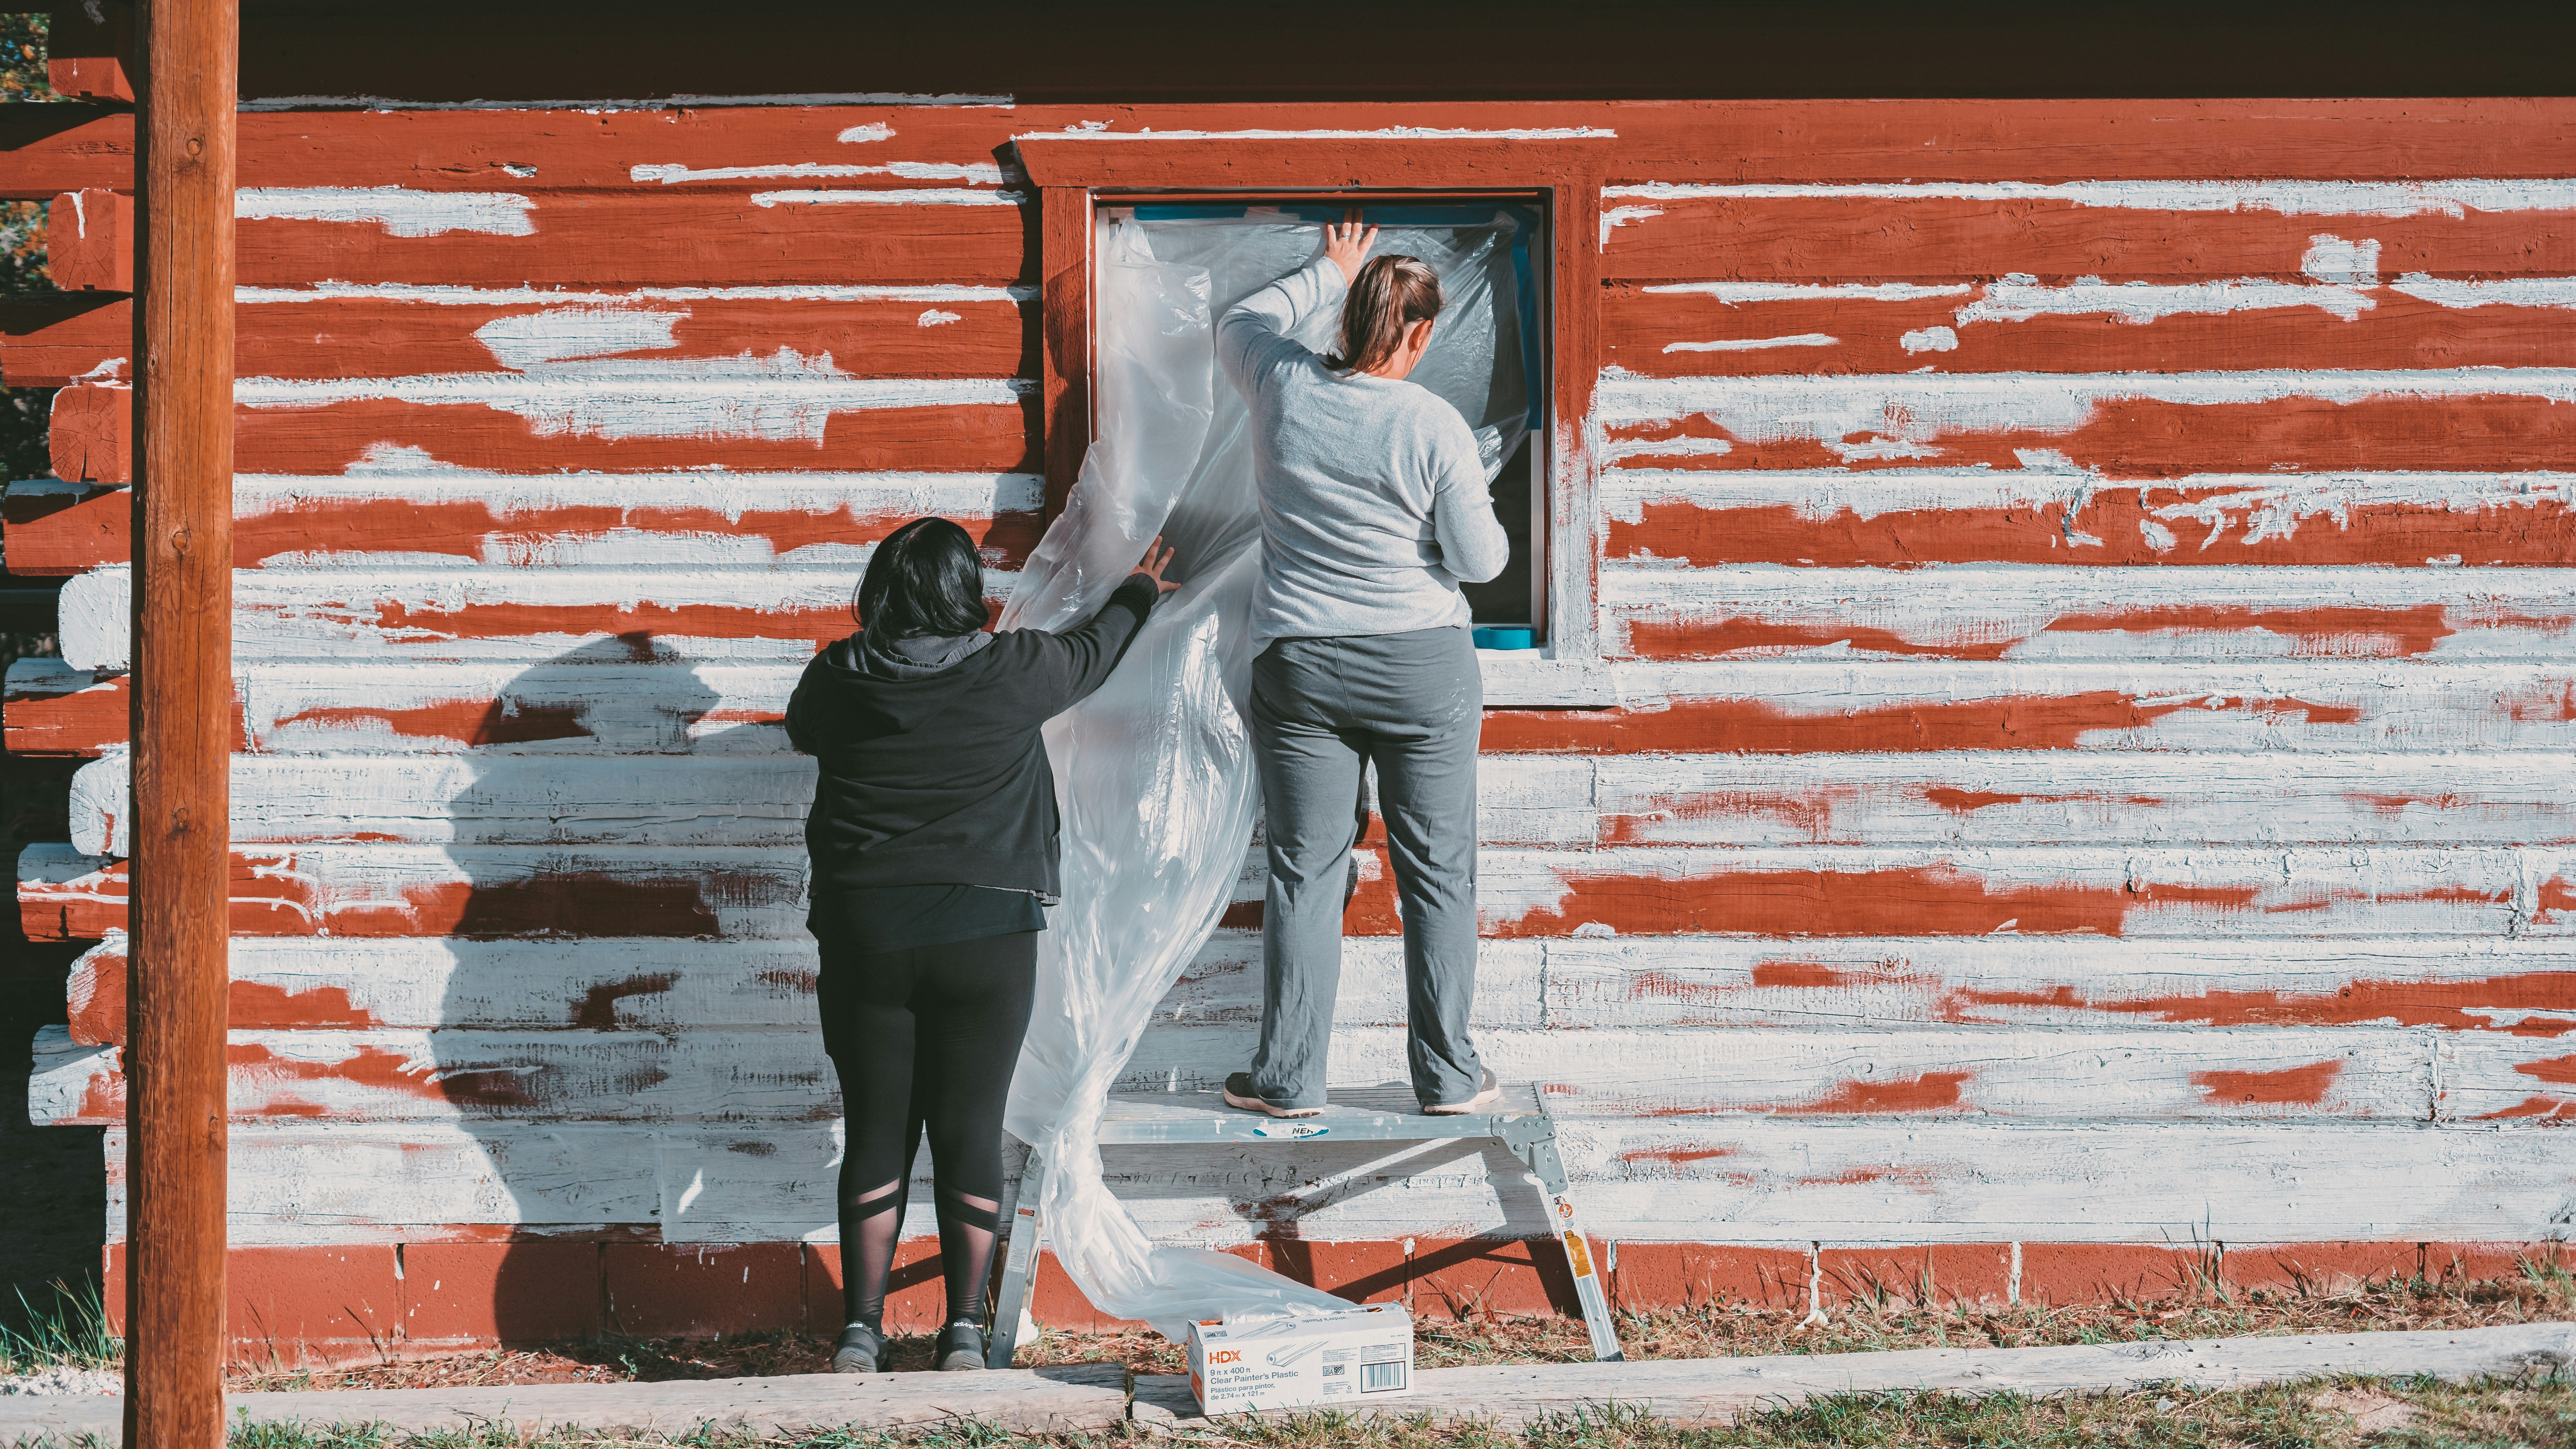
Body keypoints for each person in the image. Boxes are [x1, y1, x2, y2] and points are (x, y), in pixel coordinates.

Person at [787, 517, 1178, 1375]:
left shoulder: (838, 676)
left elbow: (801, 732)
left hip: (867, 937)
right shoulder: (1013, 671)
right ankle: (963, 1331)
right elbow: (1096, 648)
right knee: (969, 1132)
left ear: (880, 592)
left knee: (876, 1132)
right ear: (964, 594)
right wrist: (1141, 585)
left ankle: (860, 1332)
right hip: (985, 937)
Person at [1215, 215, 1510, 1121]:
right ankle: (1447, 1075)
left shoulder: (1282, 384)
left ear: (1349, 318)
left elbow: (1236, 323)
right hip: (1418, 666)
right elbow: (1481, 562)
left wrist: (1322, 268)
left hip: (1301, 663)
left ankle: (1288, 1078)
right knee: (1437, 871)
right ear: (1420, 335)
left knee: (1306, 871)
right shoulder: (1434, 426)